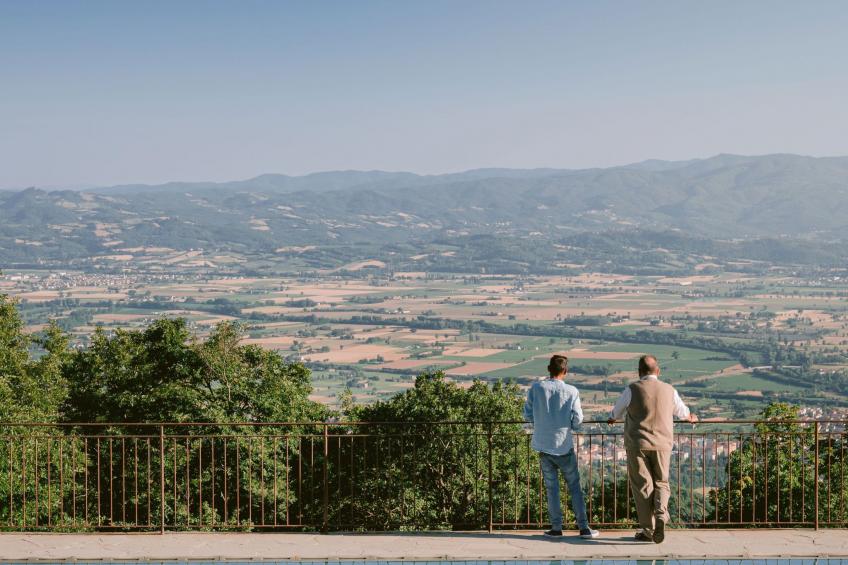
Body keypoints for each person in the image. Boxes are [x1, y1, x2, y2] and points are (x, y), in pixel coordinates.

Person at [607, 354, 697, 544]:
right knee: (662, 482)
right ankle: (661, 516)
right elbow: (683, 412)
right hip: (663, 444)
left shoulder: (631, 389)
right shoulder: (669, 390)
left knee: (642, 487)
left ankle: (648, 530)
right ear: (658, 371)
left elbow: (616, 412)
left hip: (637, 444)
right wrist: (692, 417)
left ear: (639, 372)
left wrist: (613, 418)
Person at [524, 354, 599, 539]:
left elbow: (527, 415)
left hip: (543, 445)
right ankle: (583, 528)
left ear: (549, 369)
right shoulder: (572, 391)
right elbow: (578, 419)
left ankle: (556, 528)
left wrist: (541, 422)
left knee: (552, 489)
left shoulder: (536, 388)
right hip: (563, 446)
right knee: (574, 487)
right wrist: (570, 425)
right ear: (565, 371)